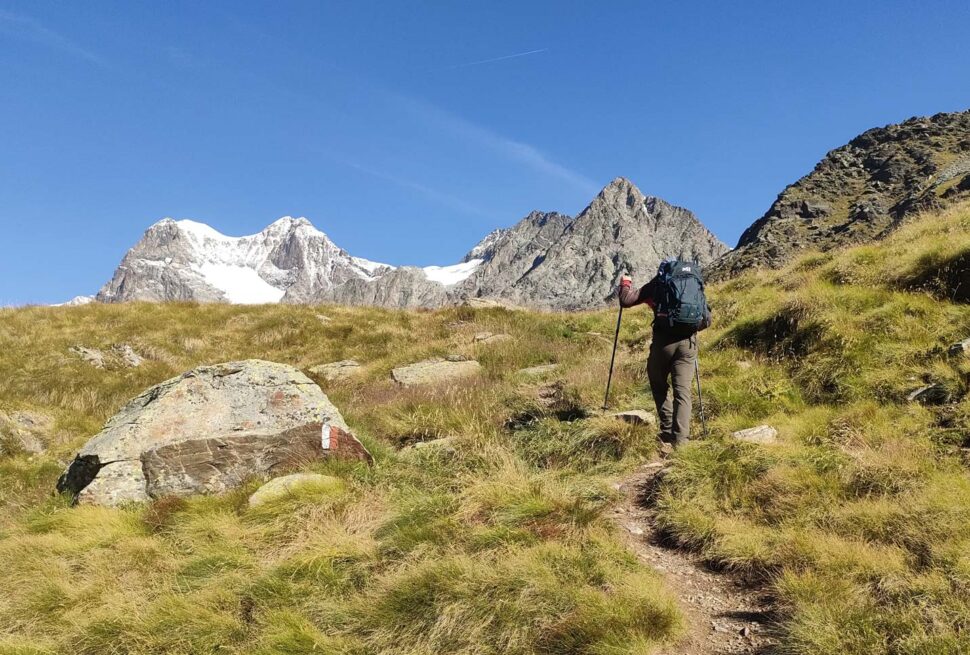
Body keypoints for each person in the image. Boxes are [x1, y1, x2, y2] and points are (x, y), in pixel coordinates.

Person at [618, 262, 711, 447]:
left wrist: (625, 284)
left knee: (658, 384)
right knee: (682, 391)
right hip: (688, 344)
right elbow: (707, 320)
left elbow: (626, 301)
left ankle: (667, 430)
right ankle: (681, 441)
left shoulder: (659, 284)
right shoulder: (694, 285)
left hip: (663, 343)